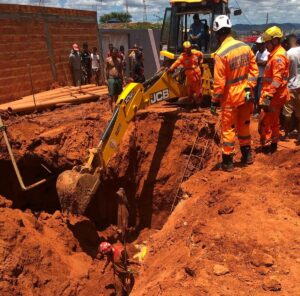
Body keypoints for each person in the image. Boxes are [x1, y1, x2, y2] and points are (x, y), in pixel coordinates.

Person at [210, 15, 258, 171]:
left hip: (230, 97)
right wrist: (249, 86)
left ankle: (228, 162)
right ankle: (247, 156)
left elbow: (219, 83)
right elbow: (254, 71)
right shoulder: (246, 47)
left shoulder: (220, 54)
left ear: (218, 34)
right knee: (244, 125)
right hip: (246, 94)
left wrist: (214, 101)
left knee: (229, 129)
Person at [259, 26, 290, 153]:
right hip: (273, 95)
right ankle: (274, 144)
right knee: (275, 120)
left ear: (275, 41)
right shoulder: (275, 54)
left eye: (267, 42)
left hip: (273, 96)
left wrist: (268, 96)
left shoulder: (278, 56)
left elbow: (277, 79)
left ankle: (267, 146)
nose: (266, 45)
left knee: (266, 120)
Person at [168, 41, 203, 105]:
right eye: (186, 49)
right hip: (189, 78)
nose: (188, 50)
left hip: (197, 77)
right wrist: (171, 68)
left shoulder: (196, 53)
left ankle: (198, 106)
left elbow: (201, 54)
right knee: (190, 92)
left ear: (191, 48)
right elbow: (177, 62)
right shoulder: (182, 57)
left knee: (199, 93)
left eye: (189, 48)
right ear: (184, 49)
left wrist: (200, 62)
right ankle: (190, 105)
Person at [282, 34, 300, 143]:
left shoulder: (287, 54)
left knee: (287, 113)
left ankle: (286, 134)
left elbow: (284, 72)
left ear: (288, 43)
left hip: (290, 86)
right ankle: (299, 135)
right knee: (299, 113)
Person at [255, 36, 269, 114]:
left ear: (264, 44)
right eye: (257, 44)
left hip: (264, 78)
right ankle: (258, 109)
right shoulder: (257, 52)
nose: (258, 46)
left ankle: (263, 110)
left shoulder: (267, 52)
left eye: (259, 44)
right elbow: (255, 62)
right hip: (257, 76)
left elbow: (265, 63)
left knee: (262, 95)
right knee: (256, 95)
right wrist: (260, 62)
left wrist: (259, 62)